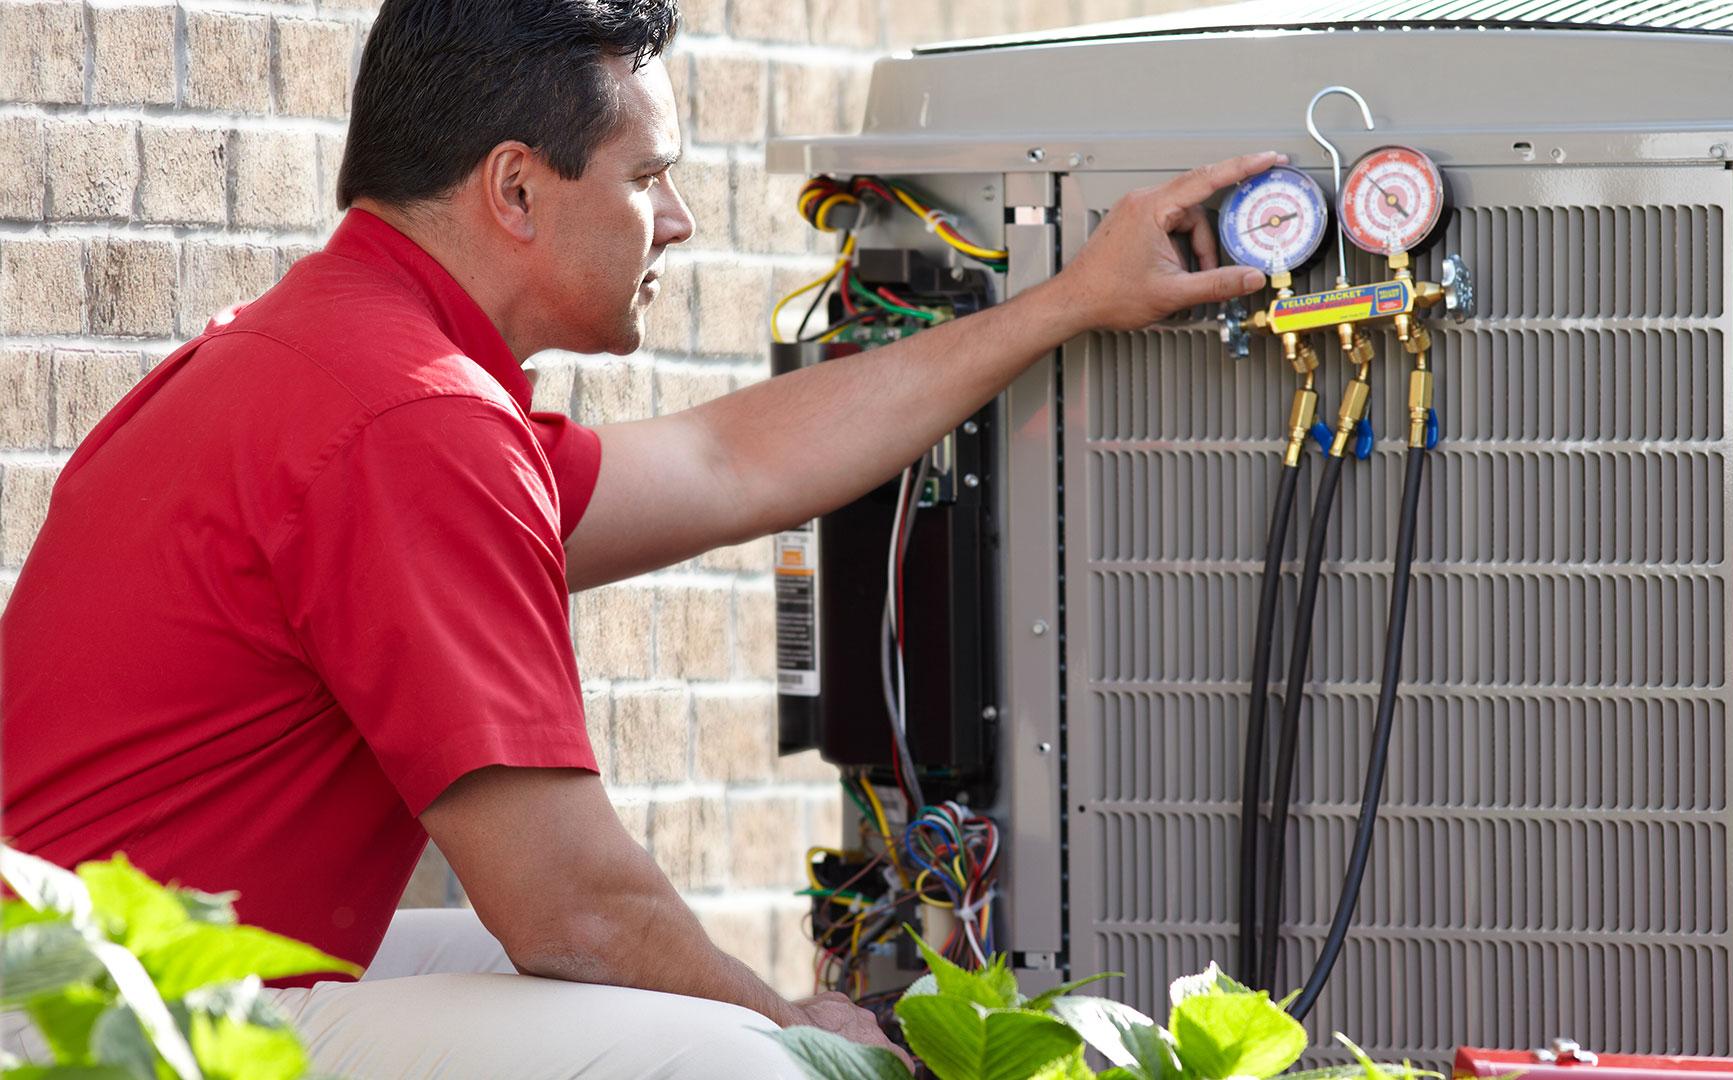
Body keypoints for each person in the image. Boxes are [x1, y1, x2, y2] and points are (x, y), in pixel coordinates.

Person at [0, 0, 1275, 1075]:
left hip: (118, 964)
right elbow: (572, 908)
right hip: (84, 1022)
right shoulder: (410, 422)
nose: (677, 222)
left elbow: (733, 462)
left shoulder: (343, 360)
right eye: (650, 177)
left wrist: (1070, 300)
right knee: (732, 1061)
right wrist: (796, 1026)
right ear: (514, 187)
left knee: (668, 999)